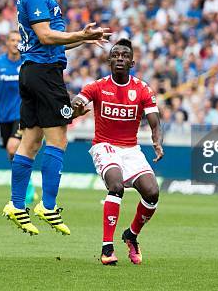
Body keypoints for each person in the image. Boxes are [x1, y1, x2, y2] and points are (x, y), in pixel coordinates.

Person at [1, 0, 110, 236]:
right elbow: (47, 36)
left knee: (31, 140)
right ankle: (47, 206)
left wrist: (84, 38)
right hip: (45, 74)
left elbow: (52, 38)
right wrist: (78, 35)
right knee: (58, 139)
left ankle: (15, 204)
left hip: (33, 71)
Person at [72, 38, 164, 265]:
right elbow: (79, 100)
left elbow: (154, 121)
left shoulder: (142, 89)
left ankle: (131, 235)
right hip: (105, 146)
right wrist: (76, 106)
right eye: (115, 55)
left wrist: (157, 142)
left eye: (124, 56)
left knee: (152, 192)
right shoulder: (97, 86)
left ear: (132, 62)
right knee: (116, 185)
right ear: (109, 61)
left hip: (131, 149)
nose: (120, 58)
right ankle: (107, 247)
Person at [0, 31, 36, 205]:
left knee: (13, 147)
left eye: (18, 40)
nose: (15, 43)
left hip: (22, 113)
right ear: (7, 43)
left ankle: (24, 191)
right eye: (12, 40)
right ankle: (28, 185)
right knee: (12, 153)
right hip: (4, 116)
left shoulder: (27, 61)